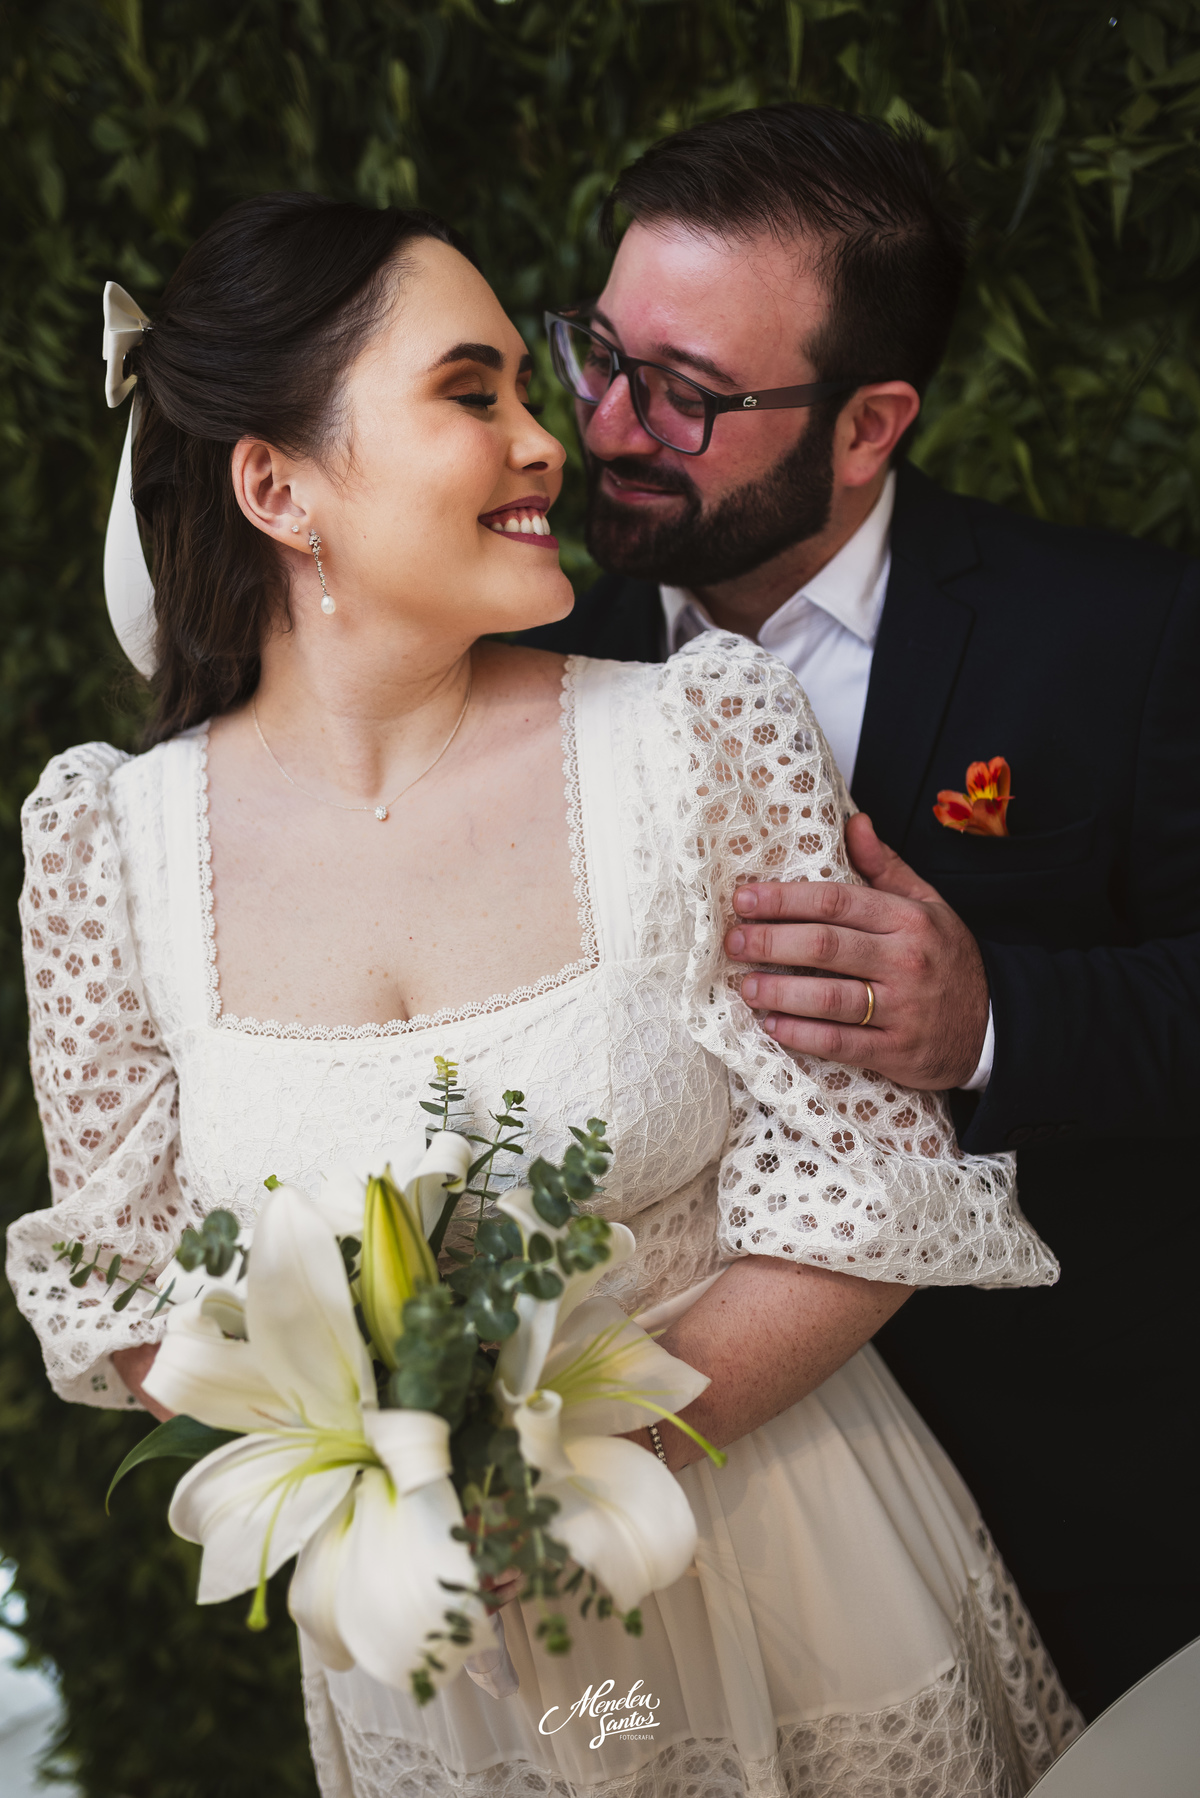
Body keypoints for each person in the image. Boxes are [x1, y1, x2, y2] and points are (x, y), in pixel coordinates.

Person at [7, 192, 1080, 1798]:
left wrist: (569, 1464)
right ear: (275, 484)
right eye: (472, 393)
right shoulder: (111, 847)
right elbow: (120, 1271)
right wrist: (380, 1471)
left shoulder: (699, 735)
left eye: (525, 385)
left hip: (798, 1577)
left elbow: (866, 1181)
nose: (548, 443)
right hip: (440, 1672)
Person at [522, 103, 1200, 1720]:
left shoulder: (1128, 634)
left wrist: (994, 1020)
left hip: (1078, 1503)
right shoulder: (538, 660)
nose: (606, 424)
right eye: (597, 354)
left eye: (685, 395)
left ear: (870, 423)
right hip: (705, 1537)